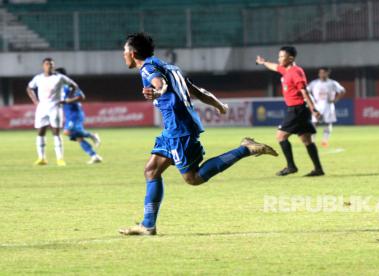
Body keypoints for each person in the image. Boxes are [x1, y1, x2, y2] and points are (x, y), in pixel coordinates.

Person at [119, 33, 278, 235]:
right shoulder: (170, 67)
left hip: (179, 129)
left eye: (124, 52)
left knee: (193, 178)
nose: (123, 55)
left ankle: (245, 149)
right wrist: (219, 105)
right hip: (173, 128)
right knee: (151, 171)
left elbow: (161, 86)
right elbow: (197, 91)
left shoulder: (149, 69)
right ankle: (147, 225)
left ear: (132, 54)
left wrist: (157, 93)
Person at [256, 46, 324, 177]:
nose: (279, 58)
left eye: (282, 56)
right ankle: (318, 169)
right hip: (299, 110)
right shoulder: (286, 70)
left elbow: (305, 92)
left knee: (280, 136)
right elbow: (275, 67)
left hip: (297, 110)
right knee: (306, 140)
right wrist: (263, 62)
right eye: (279, 56)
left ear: (291, 58)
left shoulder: (296, 72)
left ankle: (291, 167)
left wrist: (313, 108)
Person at [26, 57, 78, 166]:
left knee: (56, 133)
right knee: (40, 132)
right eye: (47, 64)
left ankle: (60, 159)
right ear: (43, 66)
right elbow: (29, 88)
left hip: (55, 107)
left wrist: (67, 98)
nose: (49, 66)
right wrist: (35, 101)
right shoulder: (38, 78)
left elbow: (74, 86)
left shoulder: (59, 78)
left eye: (51, 64)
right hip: (42, 108)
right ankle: (41, 158)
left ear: (53, 66)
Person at [55, 68, 102, 164]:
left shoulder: (70, 86)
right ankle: (94, 156)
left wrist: (68, 101)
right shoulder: (58, 88)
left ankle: (92, 135)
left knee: (67, 132)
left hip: (75, 113)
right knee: (78, 138)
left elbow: (81, 96)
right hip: (68, 115)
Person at [306, 67, 346, 147]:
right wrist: (311, 100)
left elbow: (342, 90)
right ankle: (312, 141)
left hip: (328, 105)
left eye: (323, 72)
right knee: (314, 123)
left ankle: (325, 140)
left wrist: (335, 99)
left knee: (327, 123)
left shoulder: (332, 83)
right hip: (317, 105)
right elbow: (306, 91)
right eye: (320, 73)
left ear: (327, 73)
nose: (321, 74)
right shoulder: (314, 83)